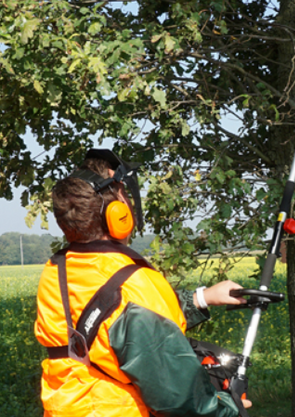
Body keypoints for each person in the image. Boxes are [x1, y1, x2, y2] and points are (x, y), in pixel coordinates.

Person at [34, 148, 250, 417]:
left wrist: (202, 298)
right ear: (117, 214)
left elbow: (108, 326)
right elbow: (181, 401)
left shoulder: (58, 269)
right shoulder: (135, 283)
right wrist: (230, 408)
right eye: (123, 193)